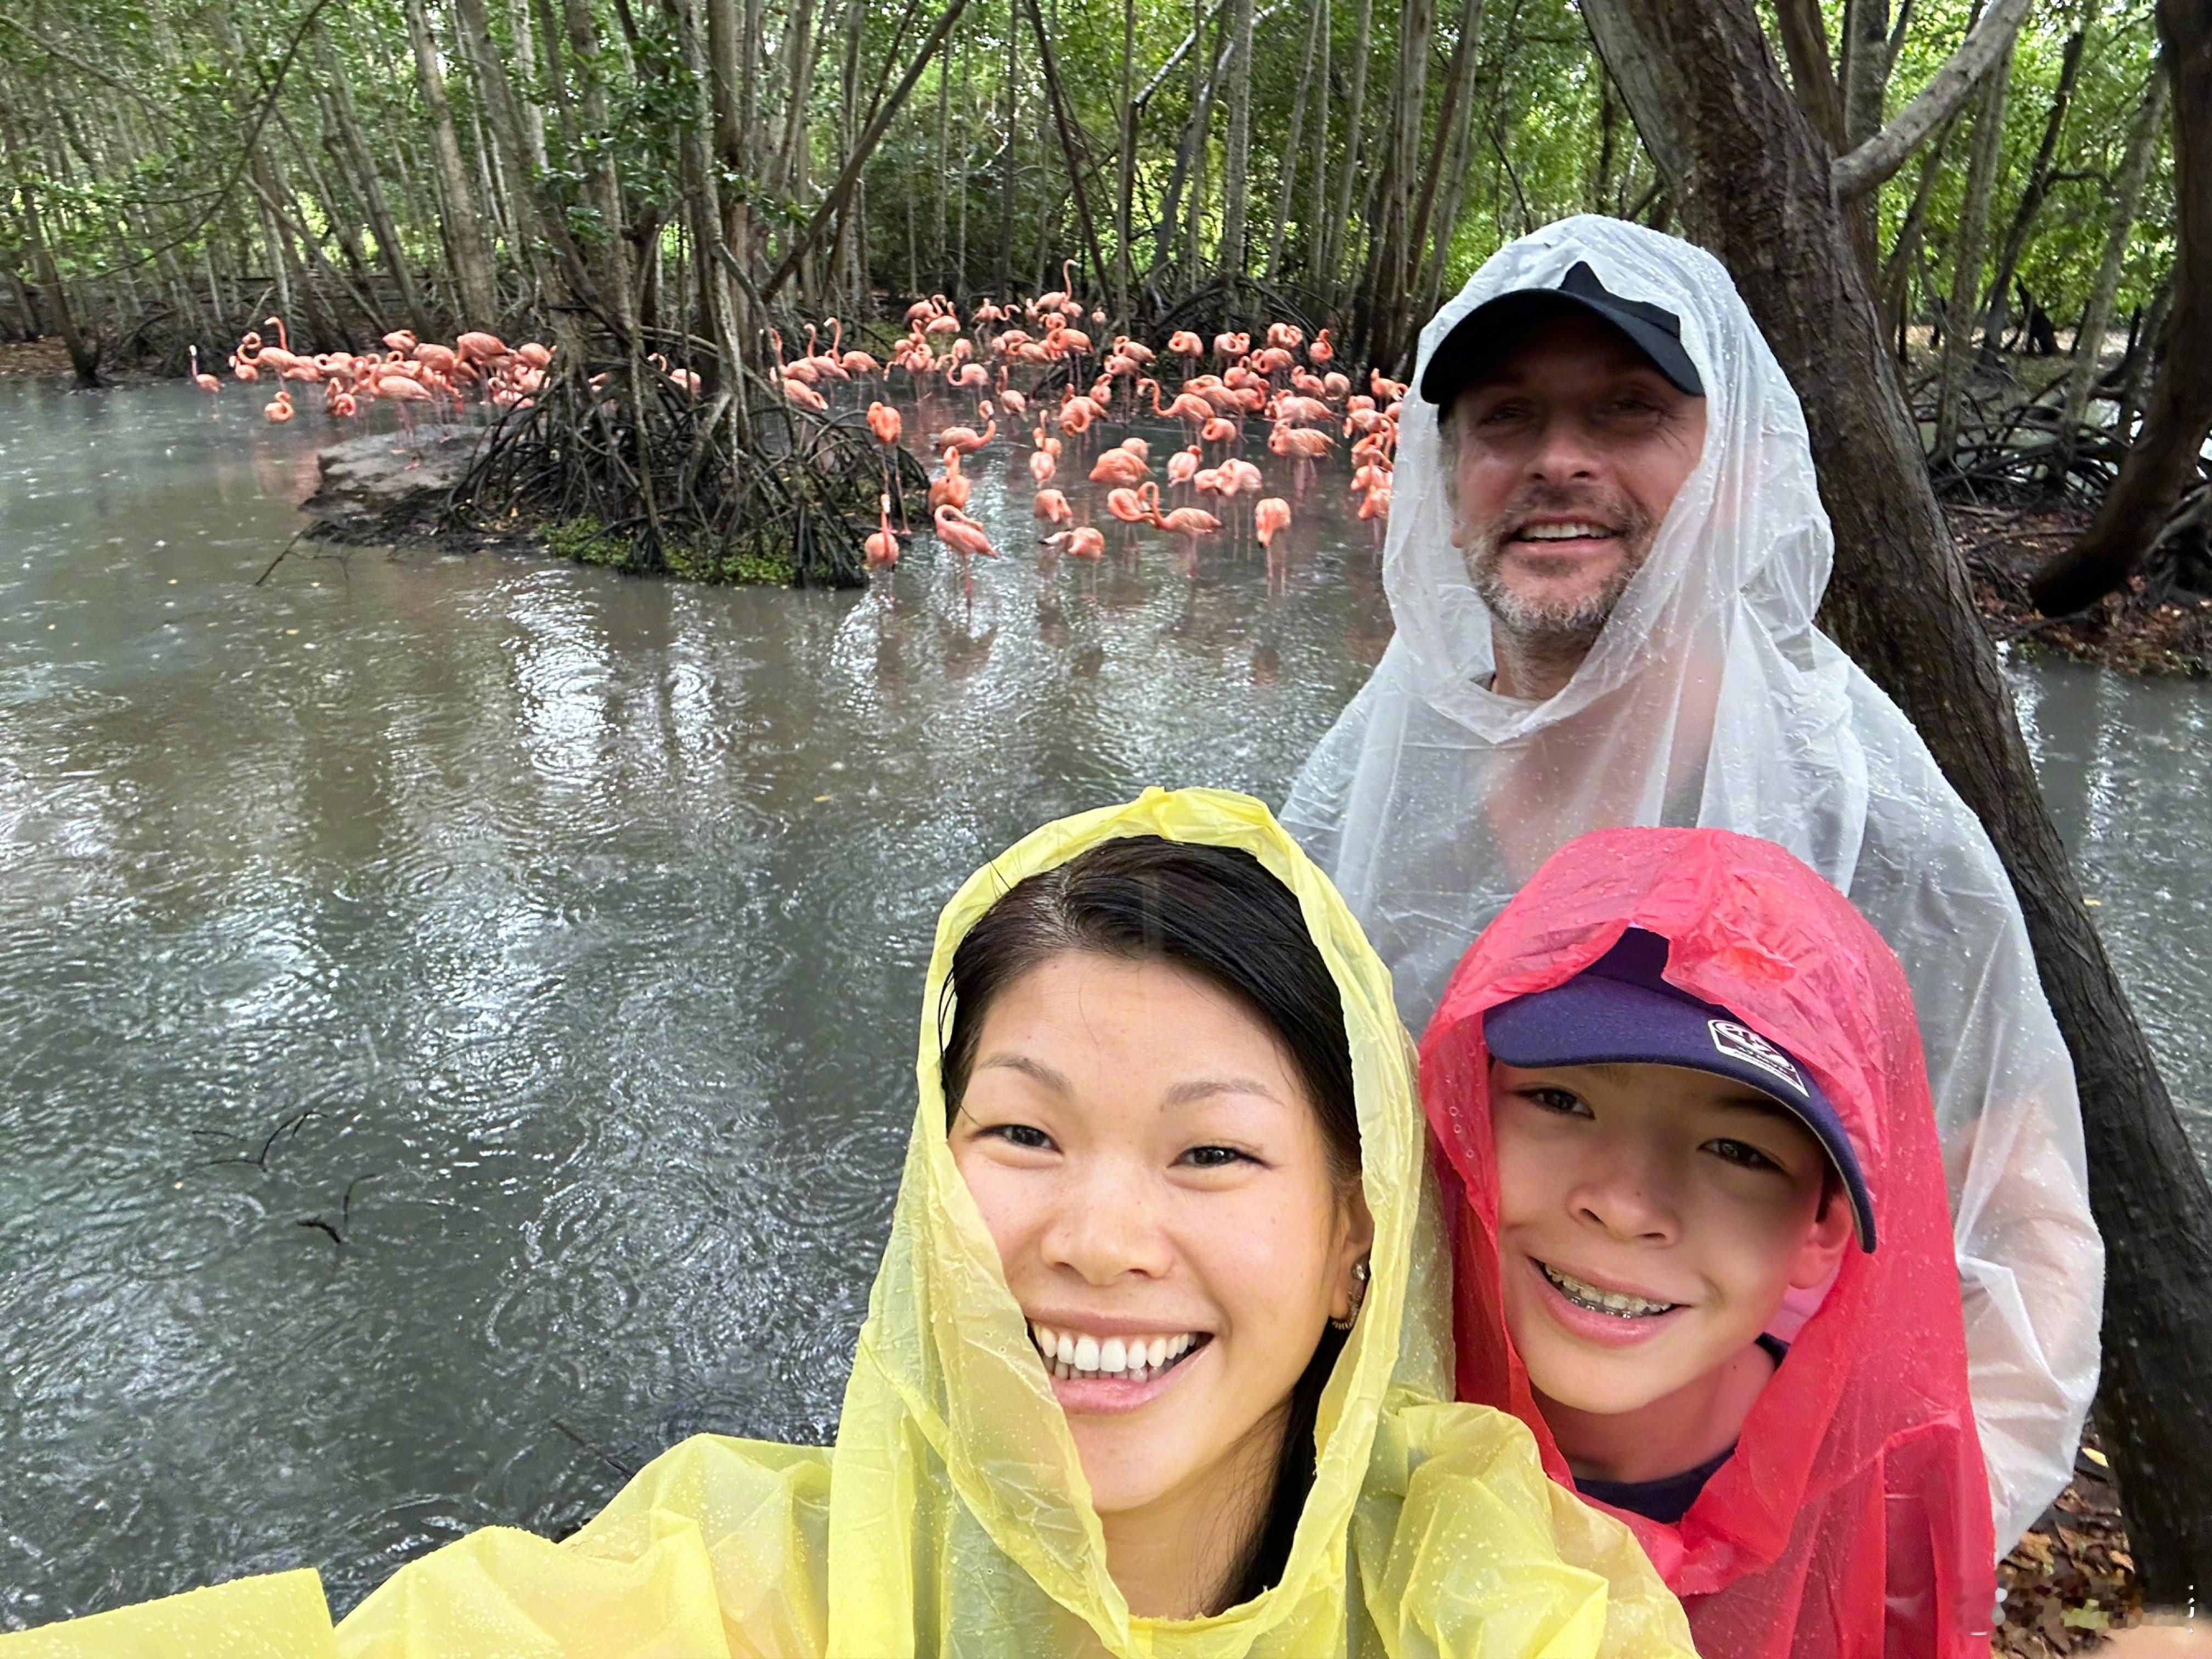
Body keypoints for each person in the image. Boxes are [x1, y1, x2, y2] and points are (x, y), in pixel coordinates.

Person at [2, 789, 1695, 1658]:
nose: (1100, 1238)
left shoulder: (1485, 1580)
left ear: (1355, 1242)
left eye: (1211, 1157)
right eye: (1022, 1132)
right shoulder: (751, 1580)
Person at [1281, 213, 2101, 1553]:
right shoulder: (1365, 785)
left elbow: (2028, 1234)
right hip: (1414, 1524)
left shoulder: (1869, 825)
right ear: (1442, 474)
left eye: (1627, 412)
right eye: (1506, 419)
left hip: (1728, 1547)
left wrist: (1881, 1555)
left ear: (1731, 472)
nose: (1559, 461)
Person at [1420, 825, 1996, 1656]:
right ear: (1465, 1113)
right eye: (1561, 1102)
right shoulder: (1327, 1397)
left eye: (1737, 1151)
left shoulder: (1884, 1492)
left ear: (1824, 1231)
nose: (1622, 1205)